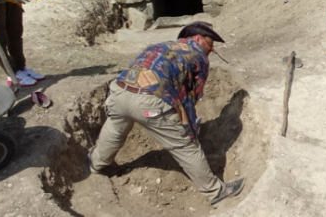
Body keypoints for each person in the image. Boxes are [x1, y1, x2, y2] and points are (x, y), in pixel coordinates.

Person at [89, 22, 245, 206]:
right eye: (210, 44)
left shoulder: (160, 46)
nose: (211, 49)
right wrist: (189, 127)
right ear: (197, 39)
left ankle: (96, 165)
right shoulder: (199, 56)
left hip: (119, 94)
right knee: (184, 146)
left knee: (115, 128)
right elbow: (191, 96)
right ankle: (216, 192)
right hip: (149, 106)